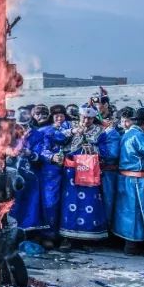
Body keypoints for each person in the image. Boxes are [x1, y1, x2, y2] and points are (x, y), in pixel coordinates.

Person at [57, 107, 111, 250]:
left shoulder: (100, 132)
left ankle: (88, 239)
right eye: (83, 117)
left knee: (90, 202)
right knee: (69, 202)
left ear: (94, 119)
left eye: (90, 118)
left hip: (90, 170)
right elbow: (56, 138)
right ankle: (67, 239)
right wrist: (71, 132)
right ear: (79, 116)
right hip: (71, 170)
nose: (86, 120)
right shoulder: (69, 126)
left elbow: (106, 151)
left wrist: (94, 149)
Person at [113, 108, 144, 254]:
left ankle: (128, 243)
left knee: (125, 212)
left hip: (124, 178)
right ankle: (134, 245)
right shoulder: (139, 136)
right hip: (136, 180)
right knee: (139, 212)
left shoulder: (126, 134)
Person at [33, 105, 72, 248]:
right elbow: (41, 151)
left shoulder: (74, 130)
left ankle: (67, 236)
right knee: (51, 204)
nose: (59, 118)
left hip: (70, 172)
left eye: (62, 116)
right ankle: (48, 235)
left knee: (68, 204)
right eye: (56, 116)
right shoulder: (45, 131)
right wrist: (52, 157)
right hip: (51, 173)